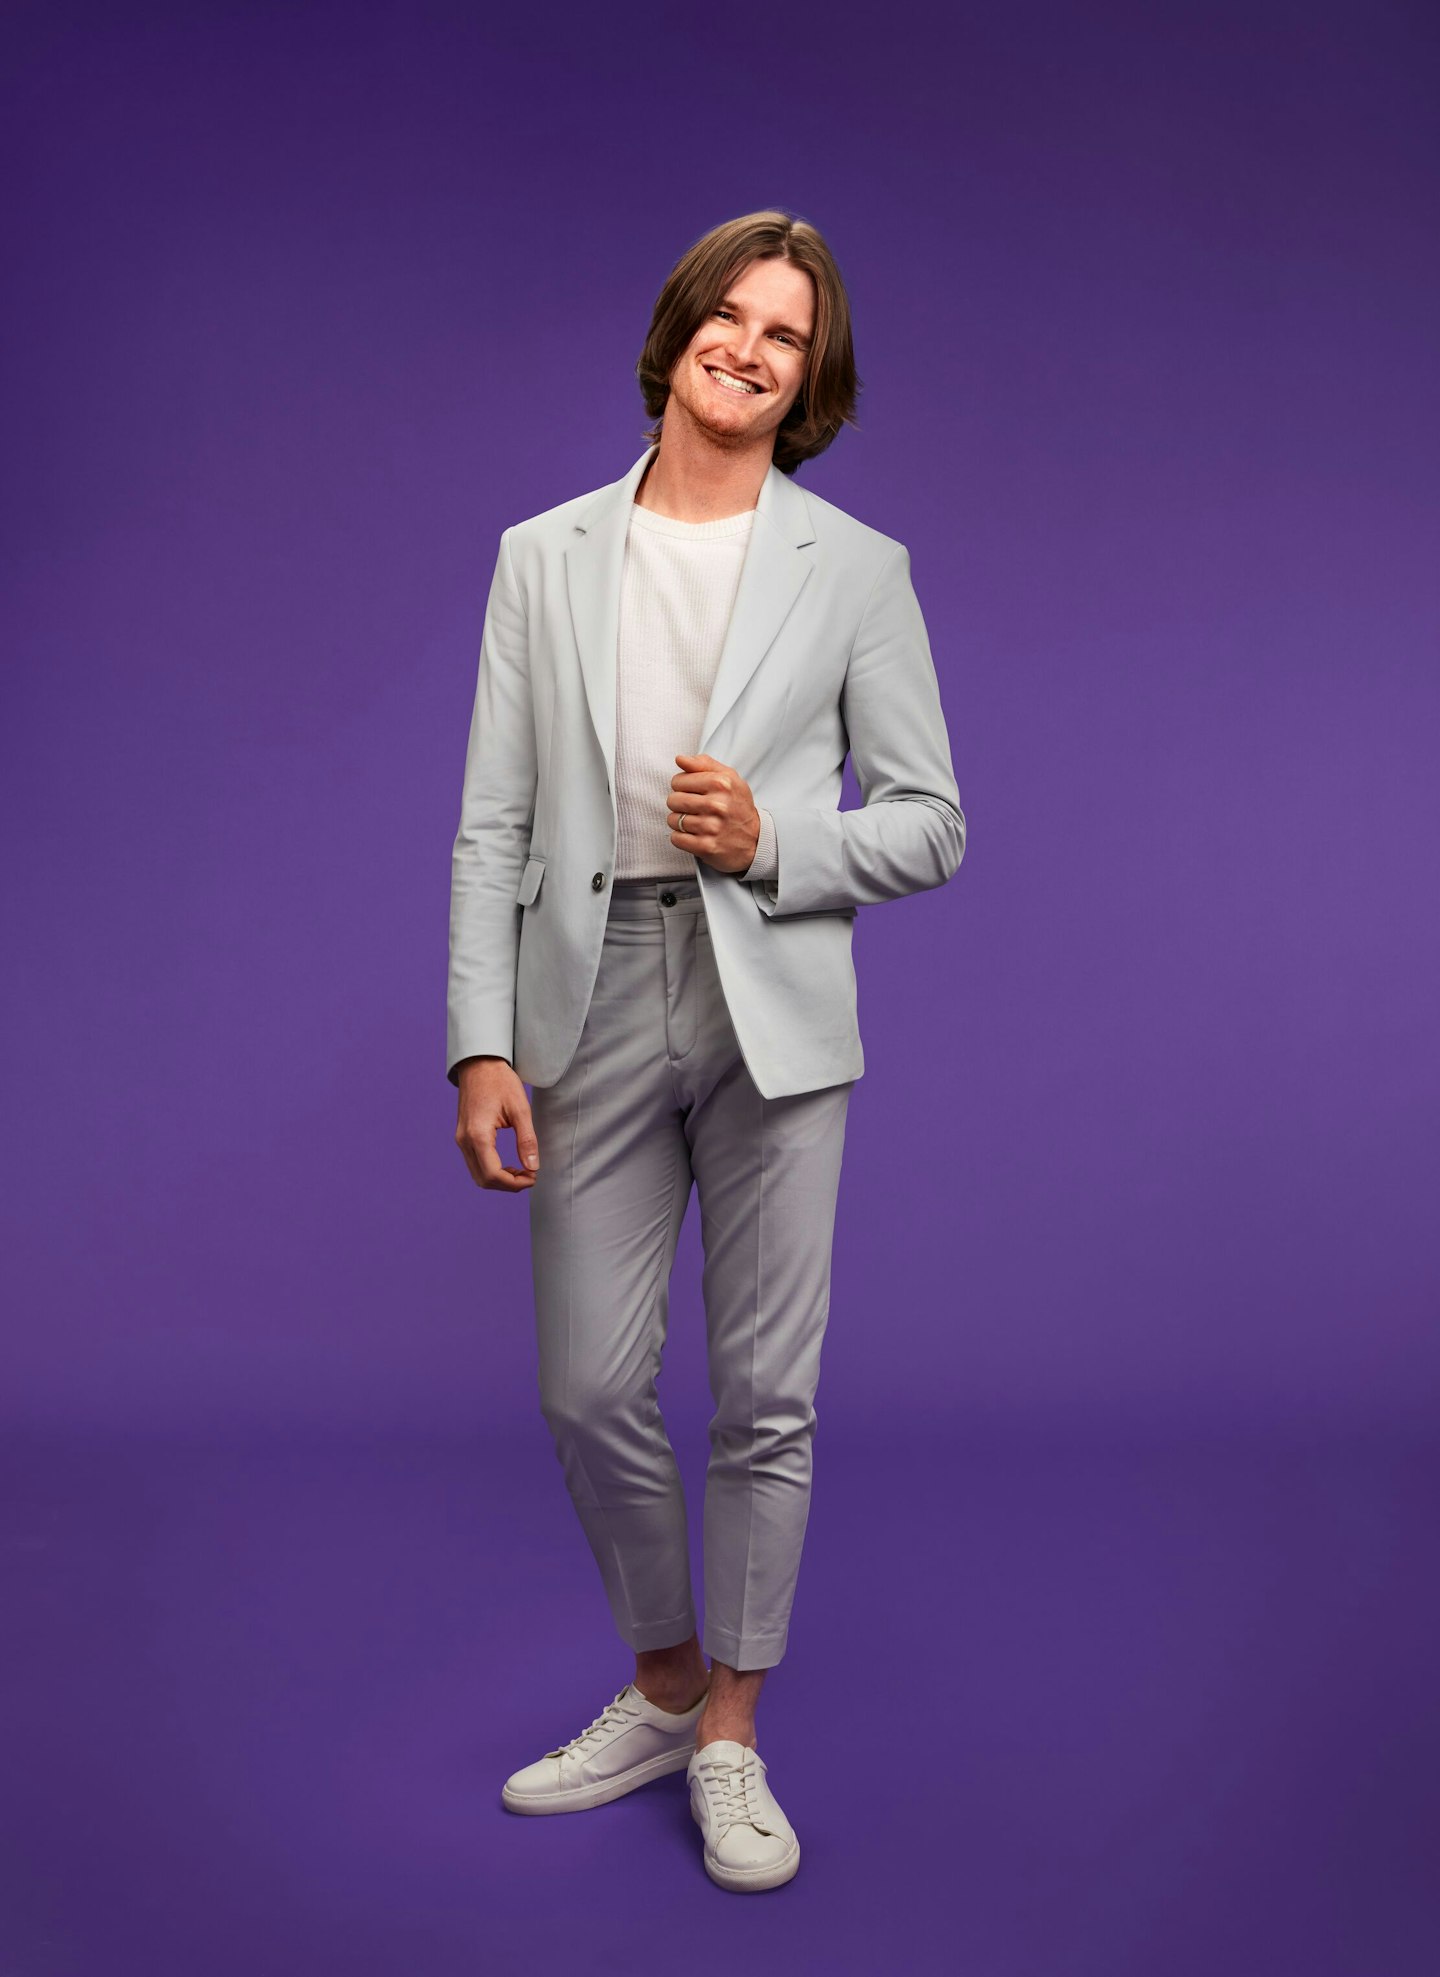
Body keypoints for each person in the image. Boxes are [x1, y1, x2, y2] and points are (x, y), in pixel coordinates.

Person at [446, 208, 965, 1892]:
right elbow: (494, 820)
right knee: (588, 1385)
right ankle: (667, 1681)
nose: (750, 346)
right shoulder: (543, 555)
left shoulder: (857, 570)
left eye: (786, 333)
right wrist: (478, 1042)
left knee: (766, 1395)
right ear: (677, 336)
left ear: (811, 381)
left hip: (775, 1004)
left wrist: (775, 839)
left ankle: (730, 1729)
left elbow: (934, 821)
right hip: (586, 990)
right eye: (729, 316)